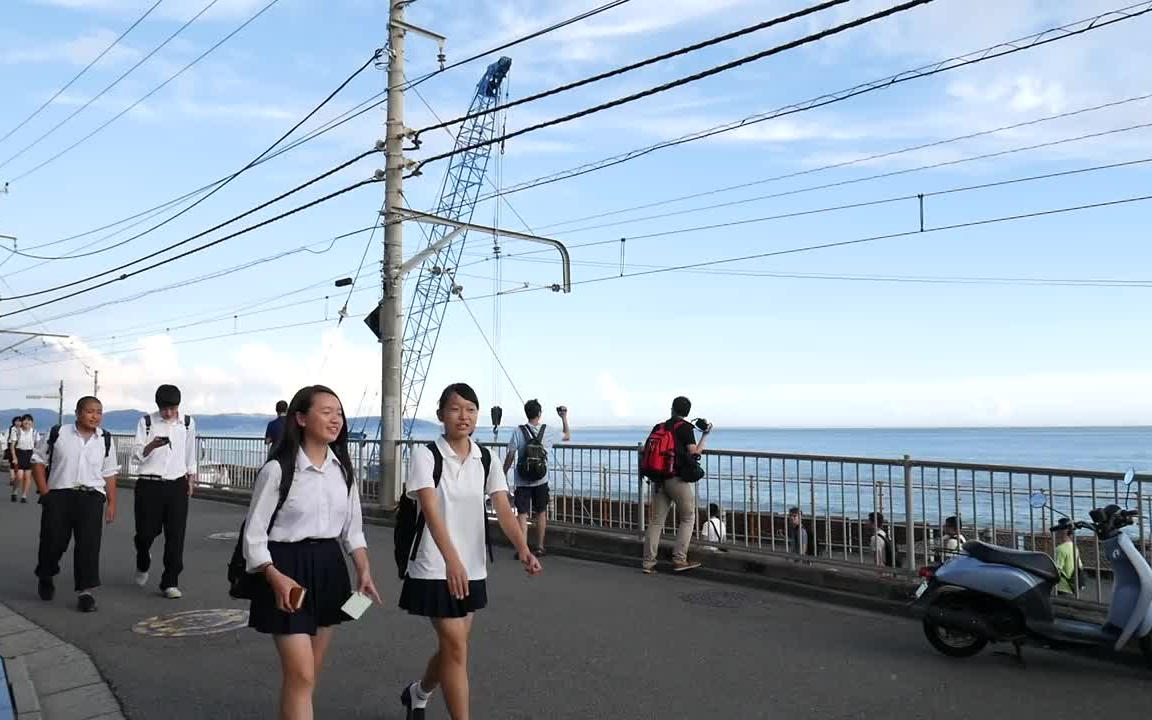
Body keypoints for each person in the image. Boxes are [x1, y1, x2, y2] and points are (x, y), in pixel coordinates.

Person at [399, 382, 541, 720]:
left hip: (473, 565)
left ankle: (417, 693)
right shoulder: (426, 456)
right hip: (436, 565)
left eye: (470, 409)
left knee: (453, 648)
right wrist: (451, 561)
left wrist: (523, 548)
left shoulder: (486, 457)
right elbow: (431, 512)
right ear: (441, 415)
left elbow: (503, 508)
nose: (464, 415)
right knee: (457, 648)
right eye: (455, 408)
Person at [242, 385, 382, 720]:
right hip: (284, 569)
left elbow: (353, 530)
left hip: (329, 567)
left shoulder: (344, 471)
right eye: (326, 411)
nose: (336, 419)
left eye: (339, 412)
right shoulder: (278, 470)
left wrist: (363, 569)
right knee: (302, 673)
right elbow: (253, 535)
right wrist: (273, 576)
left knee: (308, 674)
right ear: (301, 418)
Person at [31, 397, 118, 612]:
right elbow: (37, 460)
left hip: (91, 497)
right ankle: (46, 573)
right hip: (59, 495)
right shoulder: (58, 433)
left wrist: (111, 503)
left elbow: (109, 473)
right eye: (90, 411)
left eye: (99, 411)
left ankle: (85, 592)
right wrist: (45, 492)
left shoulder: (105, 439)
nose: (95, 416)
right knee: (53, 542)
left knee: (88, 545)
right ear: (78, 412)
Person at [131, 385, 198, 599]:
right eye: (164, 409)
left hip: (176, 484)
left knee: (176, 535)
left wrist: (191, 477)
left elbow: (190, 453)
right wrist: (151, 446)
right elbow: (136, 455)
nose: (168, 413)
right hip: (149, 483)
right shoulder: (146, 422)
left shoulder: (187, 423)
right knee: (145, 534)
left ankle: (170, 581)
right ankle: (143, 559)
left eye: (172, 408)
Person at [641, 396, 711, 574]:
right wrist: (705, 435)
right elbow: (694, 452)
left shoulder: (660, 426)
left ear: (672, 408)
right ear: (687, 412)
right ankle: (679, 559)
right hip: (677, 479)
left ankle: (648, 563)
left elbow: (646, 450)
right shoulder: (686, 428)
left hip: (659, 478)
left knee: (656, 521)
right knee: (688, 517)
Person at [503, 399, 570, 558]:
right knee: (541, 512)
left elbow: (511, 454)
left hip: (522, 478)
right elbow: (567, 436)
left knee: (522, 513)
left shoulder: (518, 431)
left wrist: (503, 472)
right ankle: (540, 547)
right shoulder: (548, 431)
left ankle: (522, 549)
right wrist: (563, 417)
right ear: (539, 413)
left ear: (526, 413)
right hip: (541, 479)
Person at [11, 414, 40, 503]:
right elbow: (12, 446)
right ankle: (15, 491)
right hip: (19, 453)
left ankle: (24, 496)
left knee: (27, 477)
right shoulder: (17, 431)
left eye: (29, 420)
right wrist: (14, 457)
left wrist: (37, 457)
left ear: (32, 422)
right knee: (19, 476)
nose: (27, 422)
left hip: (30, 454)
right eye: (25, 420)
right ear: (22, 422)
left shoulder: (34, 432)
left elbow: (37, 446)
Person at [1054, 520, 1083, 596]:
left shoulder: (1060, 549)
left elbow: (1056, 570)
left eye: (1058, 529)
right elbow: (1080, 566)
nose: (1056, 532)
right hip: (1073, 585)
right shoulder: (1074, 547)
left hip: (1062, 587)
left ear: (1063, 531)